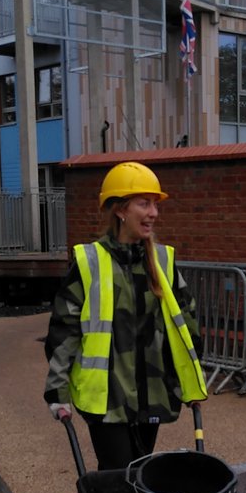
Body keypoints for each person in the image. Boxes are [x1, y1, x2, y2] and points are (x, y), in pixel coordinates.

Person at [44, 161, 207, 471]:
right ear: (120, 210)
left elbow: (186, 324)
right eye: (144, 203)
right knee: (117, 474)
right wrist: (57, 391)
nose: (154, 213)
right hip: (107, 398)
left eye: (155, 205)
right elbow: (64, 331)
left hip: (152, 394)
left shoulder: (162, 261)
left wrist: (191, 384)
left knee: (142, 473)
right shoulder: (90, 261)